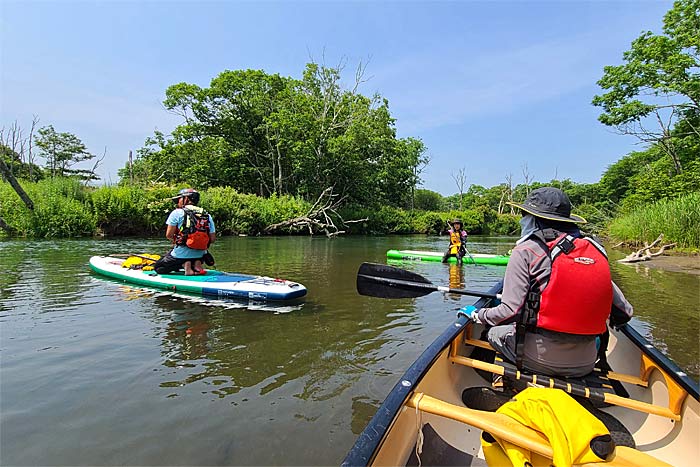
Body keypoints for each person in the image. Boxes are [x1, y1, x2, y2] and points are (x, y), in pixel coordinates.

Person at [466, 187, 633, 378]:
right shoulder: (593, 251)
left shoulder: (526, 251)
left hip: (539, 359)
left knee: (493, 331)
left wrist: (478, 314)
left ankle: (501, 380)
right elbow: (625, 312)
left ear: (534, 220)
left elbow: (509, 312)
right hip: (586, 363)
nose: (522, 220)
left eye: (524, 215)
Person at [153, 188, 216, 276]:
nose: (178, 202)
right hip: (201, 255)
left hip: (181, 255)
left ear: (186, 199)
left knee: (158, 267)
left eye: (179, 199)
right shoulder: (207, 215)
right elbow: (212, 239)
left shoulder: (176, 213)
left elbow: (169, 235)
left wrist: (180, 241)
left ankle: (185, 264)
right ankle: (196, 263)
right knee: (194, 255)